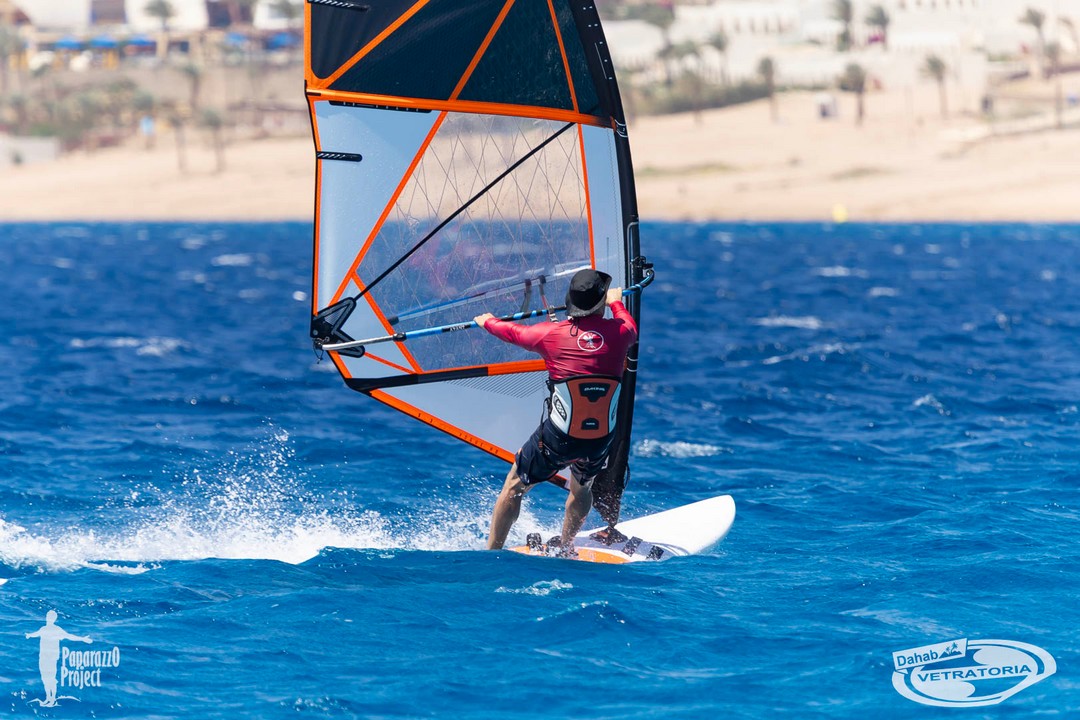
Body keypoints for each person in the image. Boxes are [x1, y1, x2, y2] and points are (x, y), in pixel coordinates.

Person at [474, 268, 638, 554]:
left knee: (514, 485)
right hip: (600, 440)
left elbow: (511, 332)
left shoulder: (551, 335)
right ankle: (566, 545)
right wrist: (616, 302)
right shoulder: (621, 334)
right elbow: (629, 325)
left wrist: (487, 321)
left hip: (559, 438)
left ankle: (492, 552)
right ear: (600, 303)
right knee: (582, 488)